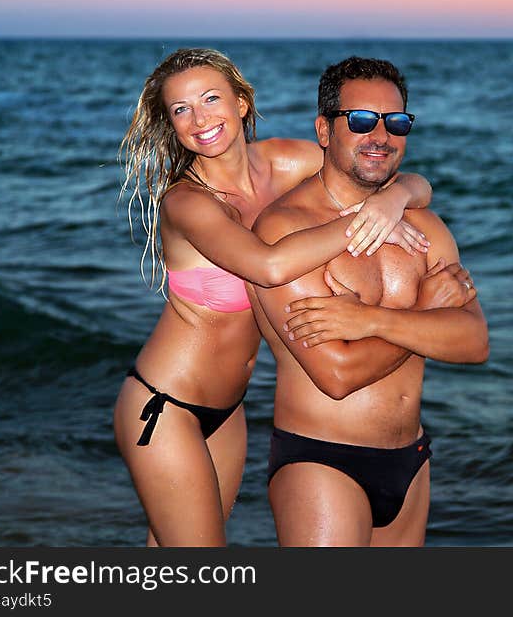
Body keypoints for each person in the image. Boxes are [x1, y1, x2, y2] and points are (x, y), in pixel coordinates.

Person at [112, 48, 435, 547]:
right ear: (171, 124)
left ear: (242, 103)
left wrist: (393, 199)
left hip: (229, 410)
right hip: (164, 405)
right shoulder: (186, 201)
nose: (200, 119)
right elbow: (268, 265)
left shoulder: (287, 161)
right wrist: (365, 222)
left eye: (211, 99)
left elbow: (389, 177)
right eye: (181, 110)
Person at [248, 56, 489, 546]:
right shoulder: (285, 231)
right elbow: (337, 375)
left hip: (411, 459)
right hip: (323, 459)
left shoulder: (425, 227)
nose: (381, 136)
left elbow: (474, 342)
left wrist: (370, 321)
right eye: (361, 120)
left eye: (396, 122)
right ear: (324, 130)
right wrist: (423, 313)